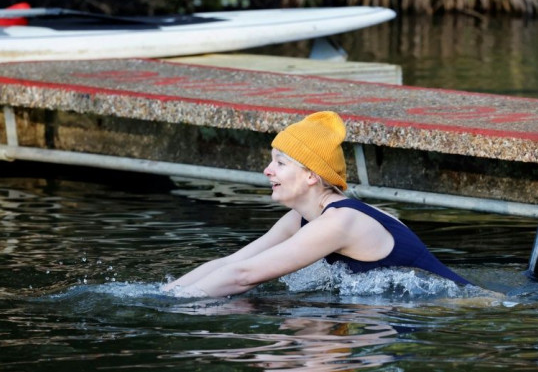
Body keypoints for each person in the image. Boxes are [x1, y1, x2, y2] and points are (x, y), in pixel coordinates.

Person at [162, 111, 471, 297]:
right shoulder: (303, 217)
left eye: (280, 164)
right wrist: (166, 293)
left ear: (311, 176)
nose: (267, 171)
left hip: (451, 308)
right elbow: (234, 263)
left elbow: (245, 276)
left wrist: (174, 310)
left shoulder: (340, 221)